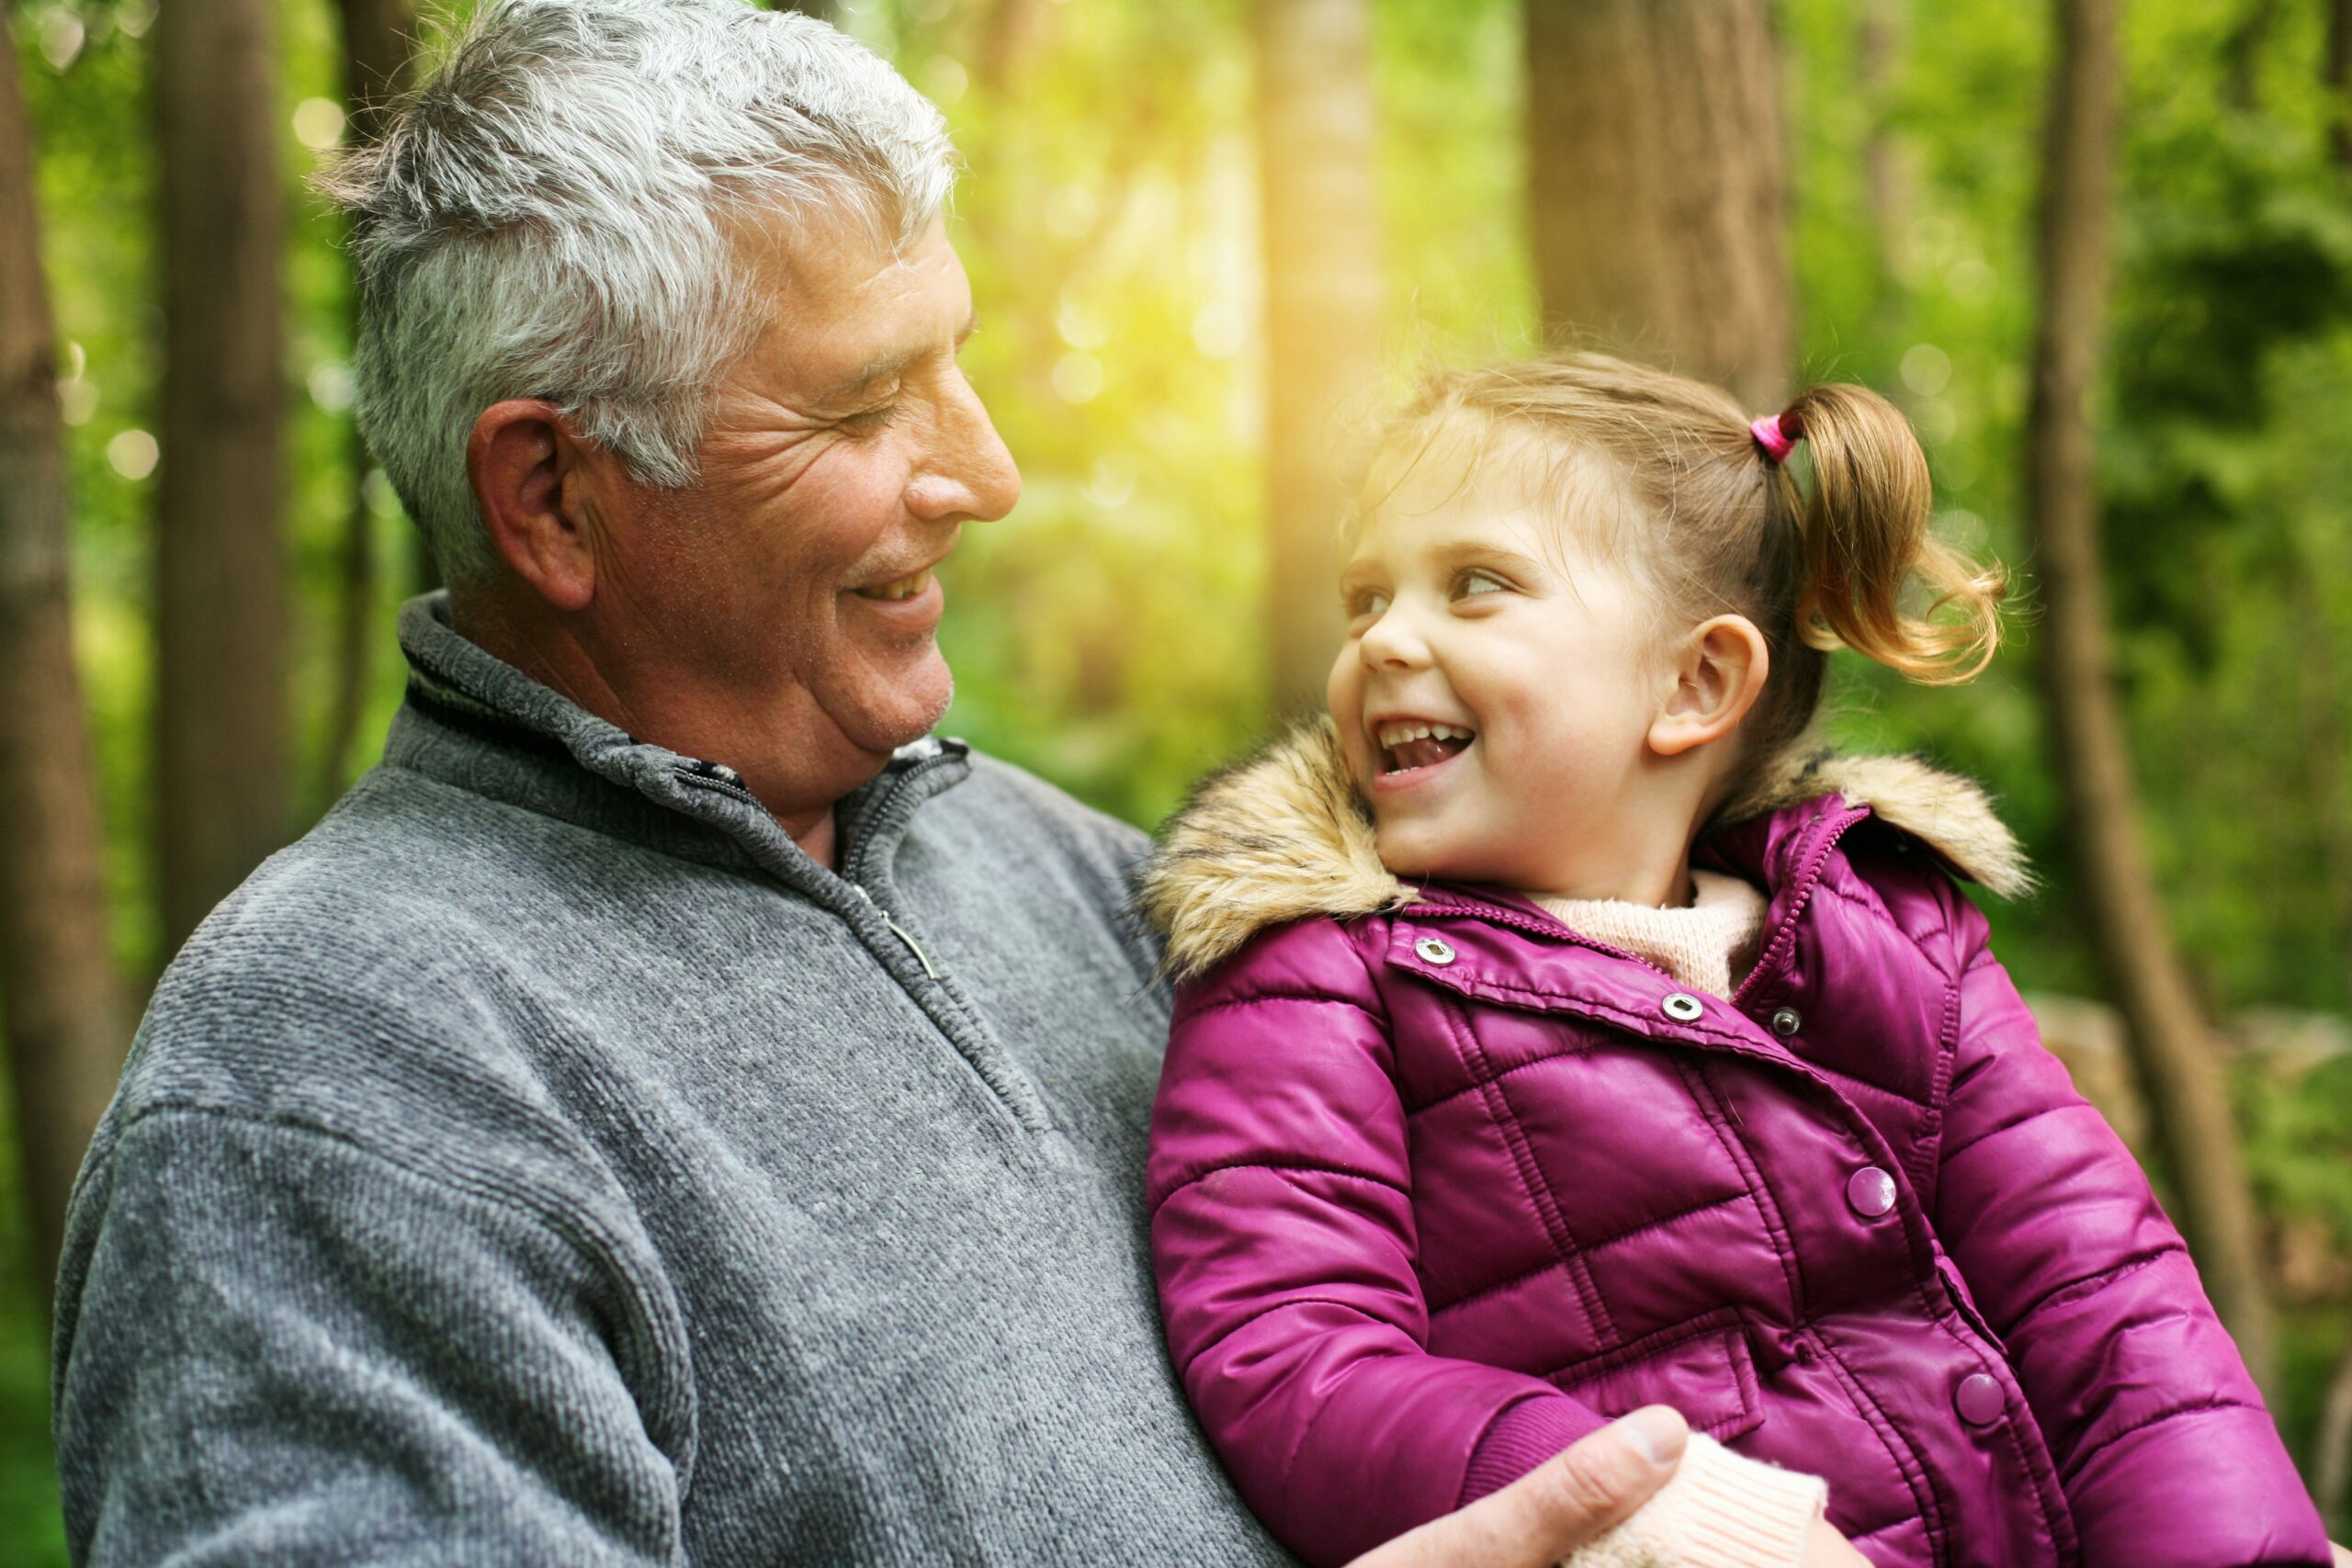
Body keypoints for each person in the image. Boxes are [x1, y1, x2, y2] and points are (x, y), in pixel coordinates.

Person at [48, 3, 1713, 1562]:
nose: (982, 474)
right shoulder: (331, 1092)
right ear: (553, 496)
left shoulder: (1078, 870)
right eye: (863, 406)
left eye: (956, 363)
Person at [1139, 353, 2334, 1567]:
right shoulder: (1314, 971)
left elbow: (2109, 1299)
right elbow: (1295, 1354)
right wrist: (1642, 1512)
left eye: (1476, 584)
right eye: (1365, 599)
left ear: (1695, 681)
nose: (1385, 640)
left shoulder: (1890, 933)